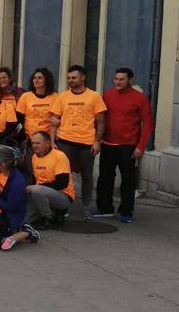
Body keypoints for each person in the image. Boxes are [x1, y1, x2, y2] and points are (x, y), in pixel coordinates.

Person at [94, 67, 153, 222]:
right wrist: (97, 139)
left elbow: (147, 123)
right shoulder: (107, 95)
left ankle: (126, 211)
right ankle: (105, 208)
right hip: (108, 143)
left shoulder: (140, 98)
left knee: (128, 180)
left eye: (121, 79)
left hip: (128, 145)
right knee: (105, 177)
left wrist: (141, 146)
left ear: (130, 81)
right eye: (116, 79)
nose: (117, 82)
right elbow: (99, 117)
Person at [49, 65, 107, 216]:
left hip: (87, 144)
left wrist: (97, 141)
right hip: (65, 142)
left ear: (83, 78)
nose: (71, 80)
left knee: (87, 176)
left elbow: (101, 121)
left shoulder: (94, 96)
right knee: (63, 176)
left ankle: (86, 206)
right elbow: (54, 120)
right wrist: (52, 141)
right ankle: (62, 207)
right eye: (68, 78)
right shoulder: (63, 96)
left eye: (74, 77)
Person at [26, 131, 75, 229]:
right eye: (32, 143)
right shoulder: (34, 157)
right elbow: (35, 180)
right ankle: (51, 212)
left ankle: (47, 219)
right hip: (41, 193)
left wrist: (37, 187)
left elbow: (62, 183)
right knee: (24, 221)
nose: (34, 146)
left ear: (48, 143)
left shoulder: (59, 156)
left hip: (63, 195)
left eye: (38, 143)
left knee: (36, 190)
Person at [0, 145, 35, 251]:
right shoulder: (1, 172)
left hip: (13, 215)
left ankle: (26, 231)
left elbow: (10, 207)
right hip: (0, 209)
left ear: (3, 164)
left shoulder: (17, 182)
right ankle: (5, 228)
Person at [16, 68, 57, 143]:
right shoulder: (25, 96)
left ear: (47, 80)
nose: (36, 80)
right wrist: (23, 136)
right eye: (34, 78)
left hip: (48, 139)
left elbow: (58, 118)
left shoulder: (55, 97)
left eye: (40, 78)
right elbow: (19, 120)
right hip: (30, 138)